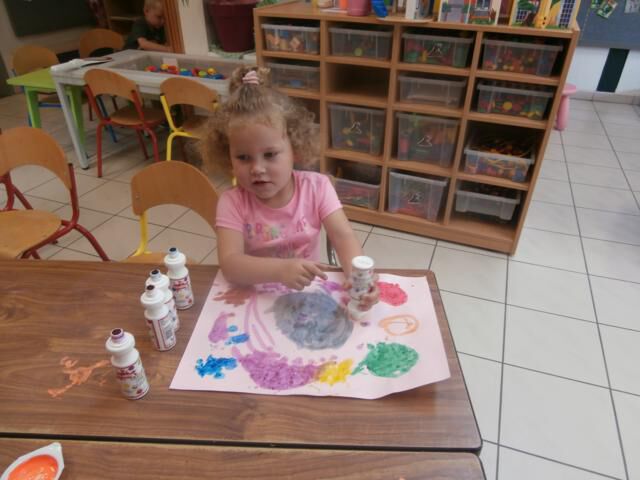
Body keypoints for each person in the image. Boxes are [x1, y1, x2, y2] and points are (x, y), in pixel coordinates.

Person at [201, 66, 378, 312]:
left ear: (295, 148)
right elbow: (230, 265)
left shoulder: (318, 187)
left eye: (270, 154)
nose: (257, 168)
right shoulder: (232, 202)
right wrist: (279, 270)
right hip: (255, 302)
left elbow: (343, 237)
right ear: (227, 156)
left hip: (307, 298)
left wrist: (359, 278)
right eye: (243, 157)